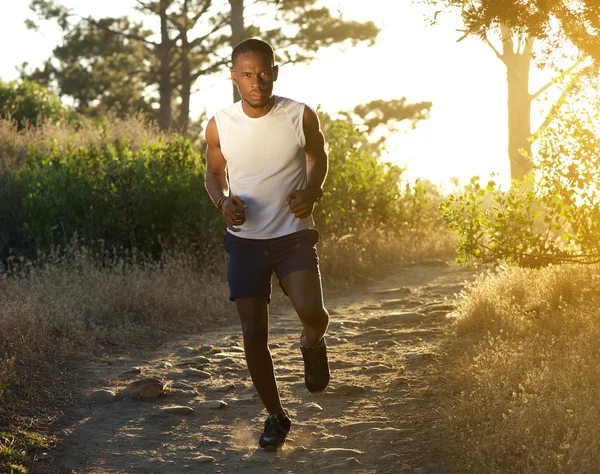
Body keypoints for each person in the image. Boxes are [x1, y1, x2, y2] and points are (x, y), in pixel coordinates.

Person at [204, 38, 331, 451]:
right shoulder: (219, 124)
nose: (255, 82)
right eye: (246, 74)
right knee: (253, 331)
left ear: (274, 71)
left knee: (313, 312)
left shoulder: (299, 115)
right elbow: (213, 174)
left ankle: (311, 342)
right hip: (245, 241)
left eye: (262, 73)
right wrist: (223, 202)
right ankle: (276, 416)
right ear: (234, 77)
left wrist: (311, 191)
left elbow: (319, 156)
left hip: (293, 235)